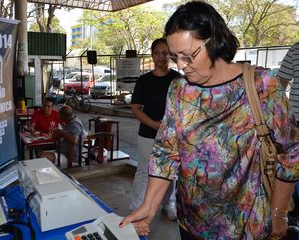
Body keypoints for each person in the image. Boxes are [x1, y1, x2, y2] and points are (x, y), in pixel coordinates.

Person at [120, 1, 299, 239]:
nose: (182, 66)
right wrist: (149, 206)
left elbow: (290, 153)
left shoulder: (261, 85)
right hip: (191, 224)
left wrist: (278, 214)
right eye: (175, 57)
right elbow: (166, 152)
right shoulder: (180, 90)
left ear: (214, 41)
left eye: (188, 56)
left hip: (247, 226)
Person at [129, 38, 180, 221]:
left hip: (171, 136)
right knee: (144, 171)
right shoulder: (144, 80)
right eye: (157, 52)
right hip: (148, 134)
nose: (161, 56)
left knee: (170, 172)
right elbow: (136, 108)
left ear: (170, 55)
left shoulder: (178, 80)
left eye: (165, 53)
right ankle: (136, 207)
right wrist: (152, 124)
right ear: (152, 54)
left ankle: (169, 204)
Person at [277, 43, 299, 234]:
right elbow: (281, 81)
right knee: (293, 170)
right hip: (295, 124)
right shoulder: (296, 49)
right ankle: (293, 214)